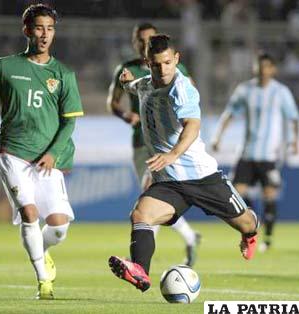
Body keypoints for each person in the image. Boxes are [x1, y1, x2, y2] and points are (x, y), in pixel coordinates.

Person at [108, 34, 259, 292]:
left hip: (202, 177)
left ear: (176, 59)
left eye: (168, 63)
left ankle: (251, 234)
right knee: (141, 215)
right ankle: (140, 271)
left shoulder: (182, 88)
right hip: (169, 181)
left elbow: (192, 125)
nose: (163, 69)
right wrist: (126, 84)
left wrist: (173, 154)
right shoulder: (145, 84)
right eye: (156, 65)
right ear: (148, 63)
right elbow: (136, 87)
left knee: (246, 222)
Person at [0, 4, 83, 300]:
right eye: (39, 28)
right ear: (27, 30)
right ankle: (44, 282)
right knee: (29, 213)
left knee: (58, 228)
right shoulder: (6, 66)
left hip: (47, 160)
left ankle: (41, 251)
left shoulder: (64, 74)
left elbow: (70, 123)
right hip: (13, 154)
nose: (45, 34)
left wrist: (54, 153)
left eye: (50, 29)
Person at [107, 22, 200, 267]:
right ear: (135, 42)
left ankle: (140, 261)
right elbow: (113, 102)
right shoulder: (126, 69)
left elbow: (191, 95)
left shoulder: (173, 67)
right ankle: (190, 237)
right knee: (152, 198)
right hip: (141, 142)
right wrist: (127, 116)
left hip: (166, 144)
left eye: (148, 39)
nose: (143, 43)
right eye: (140, 40)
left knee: (151, 195)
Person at [212, 52, 299, 252]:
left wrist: (295, 141)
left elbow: (293, 117)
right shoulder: (245, 90)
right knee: (238, 193)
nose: (263, 70)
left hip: (269, 154)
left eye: (267, 67)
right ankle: (251, 228)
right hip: (247, 152)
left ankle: (268, 238)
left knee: (270, 194)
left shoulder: (281, 92)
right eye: (260, 67)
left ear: (273, 69)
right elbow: (229, 113)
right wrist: (218, 137)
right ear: (255, 68)